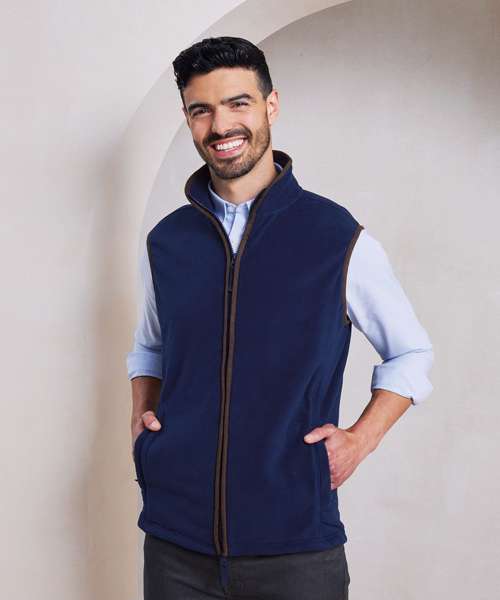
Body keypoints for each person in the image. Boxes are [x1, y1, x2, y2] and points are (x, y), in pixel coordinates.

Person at [126, 36, 433, 600]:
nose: (221, 125)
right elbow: (151, 347)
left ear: (271, 105)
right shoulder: (167, 242)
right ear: (189, 120)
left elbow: (411, 353)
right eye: (202, 110)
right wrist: (141, 420)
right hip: (175, 546)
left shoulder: (336, 237)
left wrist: (359, 441)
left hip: (296, 551)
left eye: (238, 103)